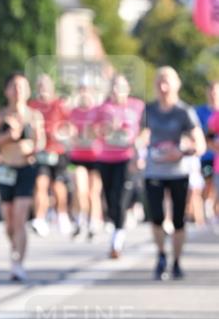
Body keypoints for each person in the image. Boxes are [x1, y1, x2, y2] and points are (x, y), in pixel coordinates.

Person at [140, 66, 205, 279]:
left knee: (178, 220)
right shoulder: (149, 110)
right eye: (159, 82)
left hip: (178, 171)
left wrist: (182, 151)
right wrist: (138, 150)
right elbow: (141, 136)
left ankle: (176, 261)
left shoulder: (184, 112)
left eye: (167, 82)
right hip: (154, 170)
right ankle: (161, 256)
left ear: (176, 84)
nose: (163, 87)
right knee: (156, 217)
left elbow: (200, 144)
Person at [0, 72, 45, 281]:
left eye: (22, 86)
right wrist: (7, 137)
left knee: (20, 217)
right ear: (7, 91)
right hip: (5, 171)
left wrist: (33, 147)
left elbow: (41, 143)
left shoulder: (34, 116)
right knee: (9, 222)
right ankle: (15, 249)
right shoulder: (0, 117)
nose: (18, 91)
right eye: (14, 86)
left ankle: (18, 262)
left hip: (26, 169)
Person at [93, 75, 144, 258]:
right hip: (106, 157)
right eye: (114, 86)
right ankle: (116, 223)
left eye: (121, 86)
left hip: (126, 157)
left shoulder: (137, 106)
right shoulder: (103, 108)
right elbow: (92, 131)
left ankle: (118, 237)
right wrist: (106, 129)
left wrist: (138, 150)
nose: (117, 90)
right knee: (110, 197)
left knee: (121, 196)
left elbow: (145, 131)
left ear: (128, 89)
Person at [29, 74, 72, 236]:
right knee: (40, 184)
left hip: (57, 151)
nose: (43, 89)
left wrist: (60, 133)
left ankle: (62, 214)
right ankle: (39, 219)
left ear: (52, 88)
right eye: (40, 86)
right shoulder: (32, 106)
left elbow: (70, 126)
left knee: (58, 186)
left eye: (46, 86)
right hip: (41, 151)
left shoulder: (59, 105)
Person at [67, 81, 103, 240]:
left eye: (87, 90)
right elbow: (69, 132)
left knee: (93, 192)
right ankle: (79, 219)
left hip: (96, 157)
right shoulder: (73, 112)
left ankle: (94, 222)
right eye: (81, 90)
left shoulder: (98, 111)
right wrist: (73, 137)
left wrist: (94, 134)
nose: (84, 94)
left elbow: (103, 131)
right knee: (80, 190)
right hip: (77, 157)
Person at [195, 81, 219, 224]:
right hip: (207, 157)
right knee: (208, 183)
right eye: (211, 92)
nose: (213, 95)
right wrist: (211, 146)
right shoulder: (200, 111)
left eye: (216, 92)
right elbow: (203, 134)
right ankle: (206, 209)